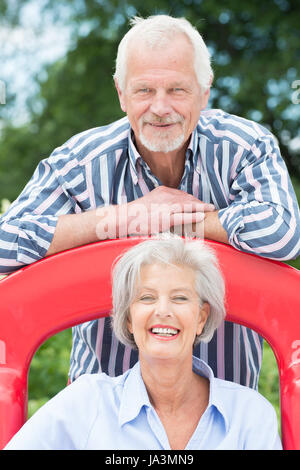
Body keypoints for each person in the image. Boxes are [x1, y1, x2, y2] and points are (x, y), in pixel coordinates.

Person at [0, 15, 299, 390]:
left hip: (223, 410)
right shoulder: (80, 161)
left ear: (205, 91)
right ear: (121, 92)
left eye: (177, 90)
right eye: (144, 91)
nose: (160, 107)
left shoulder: (245, 147)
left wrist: (175, 222)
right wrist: (120, 219)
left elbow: (281, 234)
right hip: (105, 407)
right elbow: (3, 243)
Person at [4, 237, 282, 450]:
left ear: (201, 317)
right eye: (147, 298)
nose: (163, 310)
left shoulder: (251, 414)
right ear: (128, 319)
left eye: (180, 298)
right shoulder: (86, 402)